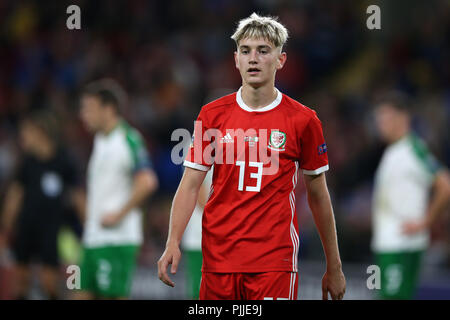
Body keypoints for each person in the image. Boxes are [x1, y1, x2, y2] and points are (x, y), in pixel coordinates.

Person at [158, 13, 346, 300]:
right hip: (218, 262)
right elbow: (190, 184)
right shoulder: (212, 115)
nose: (253, 58)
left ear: (281, 60)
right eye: (245, 51)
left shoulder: (304, 120)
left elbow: (318, 194)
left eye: (263, 51)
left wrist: (334, 265)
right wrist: (172, 241)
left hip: (274, 263)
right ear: (236, 59)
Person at [74, 79, 158, 299]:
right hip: (93, 238)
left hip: (116, 240)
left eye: (89, 109)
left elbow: (147, 181)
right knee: (77, 292)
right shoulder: (101, 140)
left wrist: (119, 214)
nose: (84, 115)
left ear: (108, 109)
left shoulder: (128, 139)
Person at [371, 91, 450, 300]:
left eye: (385, 118)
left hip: (401, 245)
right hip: (388, 244)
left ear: (402, 117)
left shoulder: (413, 149)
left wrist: (426, 222)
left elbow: (445, 185)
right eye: (379, 119)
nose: (380, 124)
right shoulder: (392, 151)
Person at [0, 109, 85, 299]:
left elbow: (79, 197)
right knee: (21, 281)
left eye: (26, 132)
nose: (23, 138)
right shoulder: (27, 164)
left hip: (52, 230)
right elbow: (15, 196)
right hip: (26, 228)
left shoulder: (64, 162)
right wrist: (6, 229)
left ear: (40, 132)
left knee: (50, 283)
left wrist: (88, 228)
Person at [181, 167, 213, 299]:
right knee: (200, 294)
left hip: (212, 237)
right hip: (201, 238)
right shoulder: (202, 148)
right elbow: (200, 194)